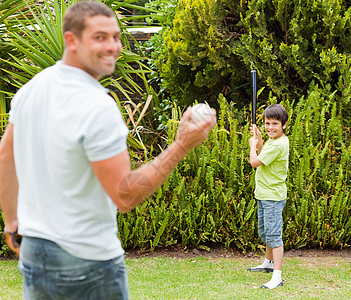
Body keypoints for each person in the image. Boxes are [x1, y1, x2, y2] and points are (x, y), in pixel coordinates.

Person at [0, 1, 216, 299]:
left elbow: (5, 154)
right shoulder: (96, 106)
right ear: (71, 40)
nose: (113, 46)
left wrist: (12, 222)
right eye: (99, 37)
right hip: (87, 259)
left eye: (115, 36)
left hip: (36, 251)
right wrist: (180, 146)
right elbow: (124, 195)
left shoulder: (34, 88)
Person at [247, 103, 289, 290]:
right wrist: (261, 139)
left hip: (272, 196)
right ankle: (268, 263)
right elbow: (265, 153)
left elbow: (255, 162)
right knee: (266, 232)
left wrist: (252, 146)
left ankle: (277, 277)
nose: (270, 127)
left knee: (273, 236)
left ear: (284, 125)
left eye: (275, 124)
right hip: (265, 194)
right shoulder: (275, 140)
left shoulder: (279, 144)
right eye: (267, 123)